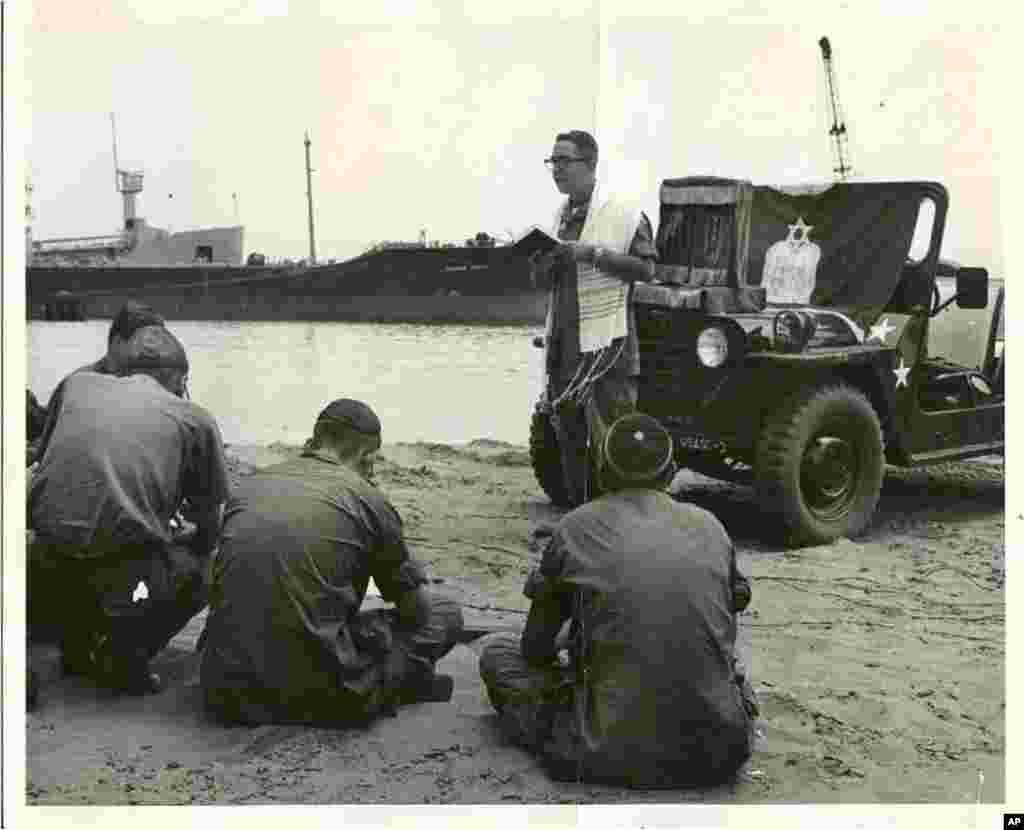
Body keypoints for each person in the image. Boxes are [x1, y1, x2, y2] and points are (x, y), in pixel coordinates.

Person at [479, 413, 758, 788]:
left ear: (603, 469)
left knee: (499, 654)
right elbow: (730, 607)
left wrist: (569, 636)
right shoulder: (710, 526)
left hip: (603, 752)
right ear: (671, 471)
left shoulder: (575, 527)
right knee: (727, 665)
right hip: (720, 752)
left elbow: (534, 649)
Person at [200, 398, 464, 727]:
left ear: (313, 441)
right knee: (445, 614)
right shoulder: (368, 498)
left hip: (225, 691)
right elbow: (417, 612)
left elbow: (215, 582)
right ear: (368, 457)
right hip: (322, 695)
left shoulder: (250, 485)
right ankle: (388, 684)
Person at [27, 326, 229, 694]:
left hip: (40, 569)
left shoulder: (78, 387)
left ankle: (77, 644)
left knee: (81, 544)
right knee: (204, 569)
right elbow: (210, 524)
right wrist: (186, 535)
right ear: (180, 379)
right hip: (124, 580)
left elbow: (47, 462)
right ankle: (126, 655)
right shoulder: (194, 418)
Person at [533, 130, 659, 505]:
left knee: (616, 437)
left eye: (563, 161)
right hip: (564, 344)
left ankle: (623, 520)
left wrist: (592, 254)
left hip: (608, 346)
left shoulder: (625, 215)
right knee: (568, 436)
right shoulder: (558, 218)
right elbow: (552, 282)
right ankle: (578, 513)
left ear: (590, 164)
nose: (555, 169)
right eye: (552, 162)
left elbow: (646, 269)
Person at [28, 302, 168, 467]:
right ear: (117, 342)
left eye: (158, 343)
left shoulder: (158, 387)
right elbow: (45, 448)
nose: (154, 351)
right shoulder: (76, 385)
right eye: (146, 343)